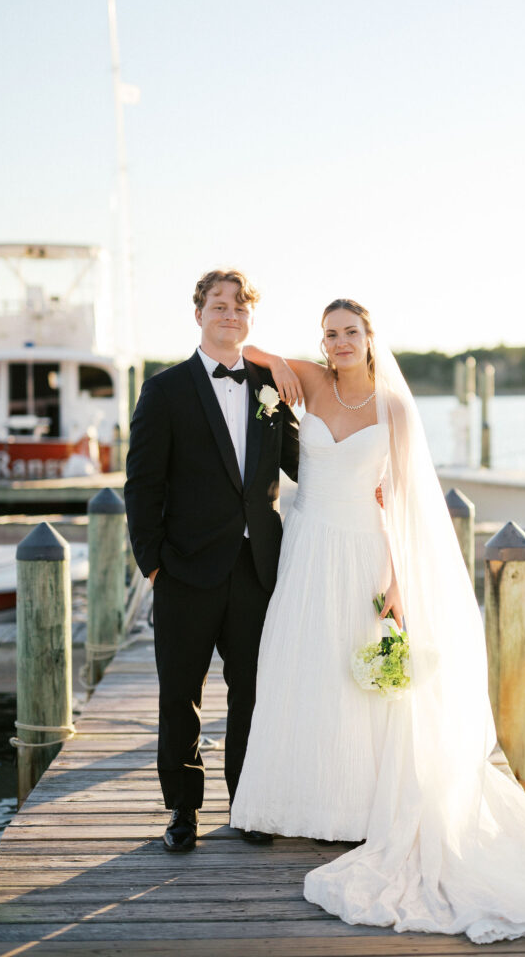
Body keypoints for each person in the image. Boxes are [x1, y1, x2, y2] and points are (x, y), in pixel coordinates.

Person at [230, 299, 525, 957]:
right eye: (330, 334)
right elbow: (243, 353)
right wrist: (277, 365)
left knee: (363, 686)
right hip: (307, 548)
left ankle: (357, 811)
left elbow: (405, 503)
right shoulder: (312, 381)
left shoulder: (394, 408)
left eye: (350, 332)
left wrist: (396, 581)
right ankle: (301, 806)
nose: (340, 342)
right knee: (303, 670)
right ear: (321, 342)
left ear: (369, 338)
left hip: (364, 552)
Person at [124, 269, 299, 852]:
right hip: (185, 569)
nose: (230, 315)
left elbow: (305, 460)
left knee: (251, 692)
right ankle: (182, 811)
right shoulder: (165, 389)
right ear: (198, 313)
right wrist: (152, 562)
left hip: (257, 567)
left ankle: (247, 807)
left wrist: (364, 480)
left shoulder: (271, 385)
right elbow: (142, 483)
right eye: (219, 305)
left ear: (251, 318)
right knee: (181, 694)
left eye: (240, 308)